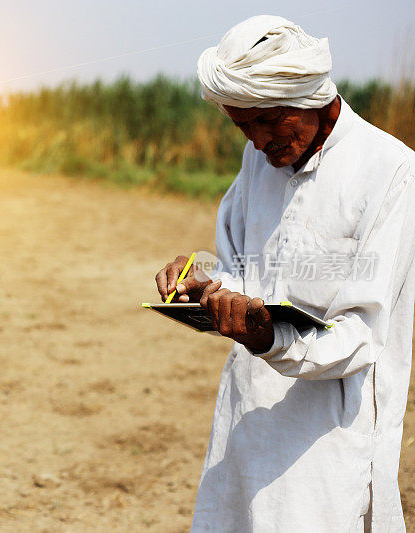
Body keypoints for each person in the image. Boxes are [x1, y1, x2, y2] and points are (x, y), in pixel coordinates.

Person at [155, 15, 415, 531]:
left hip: (329, 438)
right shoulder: (261, 162)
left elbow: (365, 334)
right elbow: (242, 269)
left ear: (312, 94)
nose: (257, 141)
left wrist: (268, 334)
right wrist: (206, 285)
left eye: (269, 120)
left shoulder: (391, 172)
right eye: (243, 126)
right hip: (248, 415)